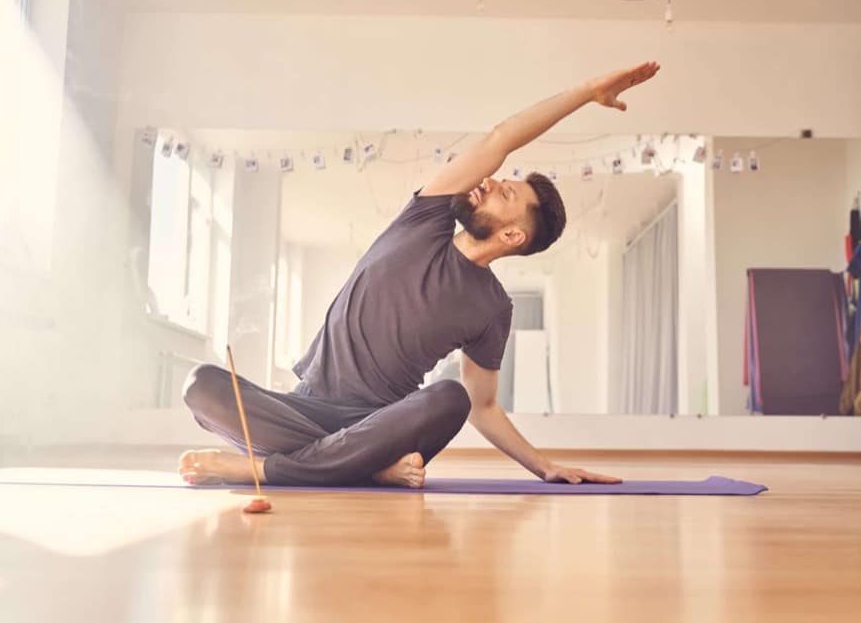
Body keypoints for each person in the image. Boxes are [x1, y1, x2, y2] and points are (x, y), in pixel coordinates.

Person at [178, 61, 661, 487]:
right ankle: (362, 469)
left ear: (513, 237)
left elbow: (484, 406)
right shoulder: (426, 218)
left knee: (451, 398)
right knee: (202, 385)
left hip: (381, 424)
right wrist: (585, 91)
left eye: (505, 195)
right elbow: (500, 139)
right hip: (304, 408)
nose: (490, 182)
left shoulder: (493, 308)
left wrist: (543, 466)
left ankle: (266, 469)